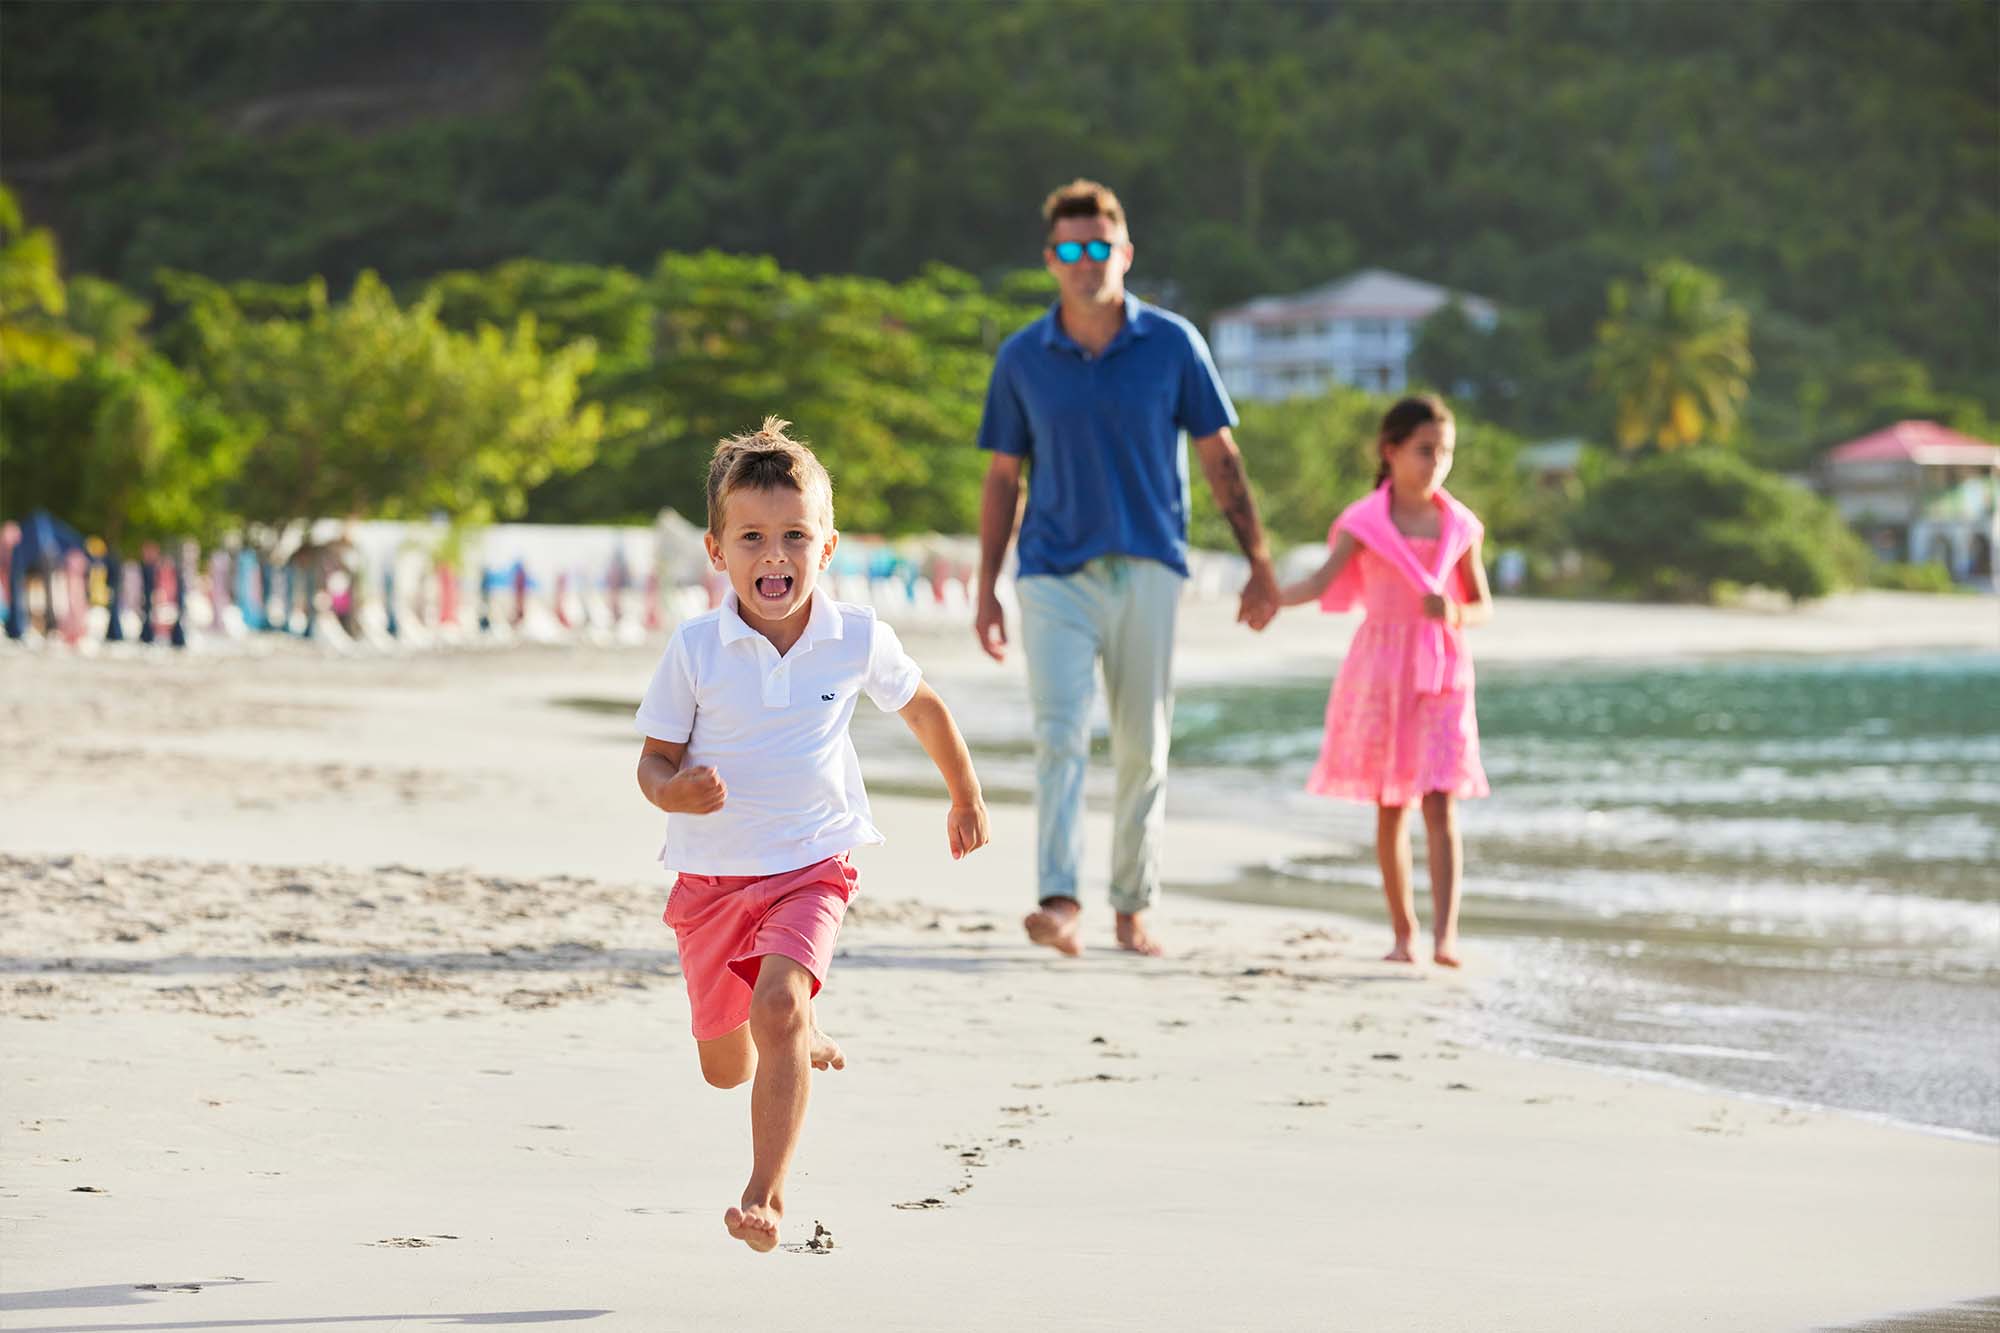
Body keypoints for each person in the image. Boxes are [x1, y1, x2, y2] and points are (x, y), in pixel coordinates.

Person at [633, 417, 989, 1253]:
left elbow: (924, 705)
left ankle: (766, 1194)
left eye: (796, 535)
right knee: (726, 1065)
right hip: (712, 880)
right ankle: (788, 1030)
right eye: (752, 537)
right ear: (718, 553)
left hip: (812, 865)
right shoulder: (695, 650)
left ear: (827, 546)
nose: (775, 554)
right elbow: (651, 761)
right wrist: (673, 792)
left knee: (780, 1002)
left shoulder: (854, 636)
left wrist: (964, 793)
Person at [974, 178, 1278, 959]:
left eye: (1099, 247)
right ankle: (1060, 899)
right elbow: (1003, 477)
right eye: (1070, 249)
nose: (1086, 262)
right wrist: (985, 590)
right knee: (1060, 736)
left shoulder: (1174, 344)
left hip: (1148, 567)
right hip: (1051, 573)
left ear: (1125, 253)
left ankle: (1132, 905)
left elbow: (1221, 458)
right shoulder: (1021, 358)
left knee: (1145, 744)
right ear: (1051, 260)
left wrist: (1259, 562)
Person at [1277, 394, 1492, 967]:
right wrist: (1270, 597)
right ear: (1390, 452)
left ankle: (1446, 936)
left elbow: (1482, 606)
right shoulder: (1365, 521)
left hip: (1442, 672)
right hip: (1380, 671)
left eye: (1445, 452)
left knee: (1441, 804)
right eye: (1425, 451)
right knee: (1391, 803)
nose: (1436, 463)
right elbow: (1322, 583)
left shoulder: (1460, 525)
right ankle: (1404, 934)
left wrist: (1452, 612)